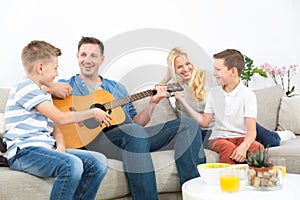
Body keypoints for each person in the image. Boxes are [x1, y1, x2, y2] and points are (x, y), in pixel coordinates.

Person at [49, 36, 206, 200]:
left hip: (129, 136)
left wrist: (152, 103)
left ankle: (192, 194)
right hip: (91, 141)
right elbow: (37, 88)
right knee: (134, 132)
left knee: (188, 125)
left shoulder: (116, 88)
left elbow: (137, 122)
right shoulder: (66, 86)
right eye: (83, 55)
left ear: (102, 59)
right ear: (77, 57)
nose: (87, 60)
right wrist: (51, 86)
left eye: (93, 56)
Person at [3, 40, 108, 200]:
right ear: (40, 68)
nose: (57, 73)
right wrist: (92, 112)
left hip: (45, 148)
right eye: (55, 68)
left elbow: (56, 125)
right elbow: (61, 117)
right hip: (23, 152)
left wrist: (60, 146)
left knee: (98, 162)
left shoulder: (43, 93)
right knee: (72, 165)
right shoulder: (24, 87)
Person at [162, 47, 281, 148]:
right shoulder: (176, 86)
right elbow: (156, 92)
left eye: (188, 64)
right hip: (206, 132)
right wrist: (167, 76)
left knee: (272, 142)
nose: (186, 69)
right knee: (233, 148)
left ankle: (281, 134)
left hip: (227, 124)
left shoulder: (208, 76)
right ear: (174, 70)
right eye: (179, 67)